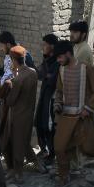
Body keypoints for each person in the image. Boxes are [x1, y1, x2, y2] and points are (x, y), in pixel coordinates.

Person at [53, 41, 94, 187]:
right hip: (66, 117)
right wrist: (57, 104)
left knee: (89, 148)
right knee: (60, 147)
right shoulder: (61, 70)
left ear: (68, 54)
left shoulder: (85, 69)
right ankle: (64, 175)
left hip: (82, 118)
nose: (58, 60)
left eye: (60, 57)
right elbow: (59, 91)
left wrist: (88, 108)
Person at [0, 46, 40, 181]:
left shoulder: (16, 79)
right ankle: (38, 165)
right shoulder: (33, 73)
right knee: (23, 142)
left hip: (15, 117)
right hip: (28, 114)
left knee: (14, 144)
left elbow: (9, 100)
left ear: (14, 60)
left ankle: (18, 173)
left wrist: (8, 84)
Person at [35, 34, 59, 164]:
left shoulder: (57, 62)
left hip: (51, 98)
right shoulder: (47, 60)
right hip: (44, 97)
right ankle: (43, 149)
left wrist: (45, 74)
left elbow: (51, 80)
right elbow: (40, 74)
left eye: (45, 45)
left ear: (52, 46)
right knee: (39, 122)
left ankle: (52, 154)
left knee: (48, 126)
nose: (42, 48)